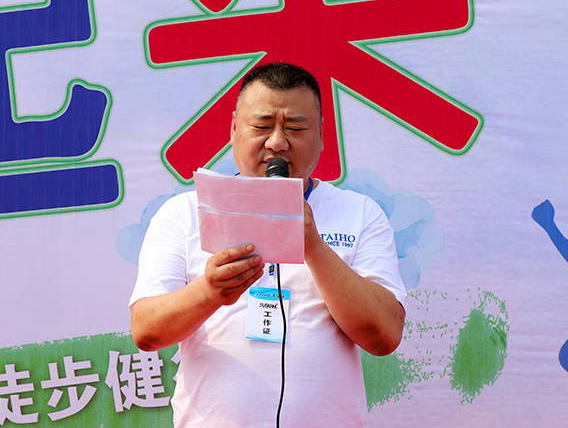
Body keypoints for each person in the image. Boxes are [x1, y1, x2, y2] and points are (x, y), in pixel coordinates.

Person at [129, 62, 407, 427]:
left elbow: (384, 336)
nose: (277, 142)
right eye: (261, 126)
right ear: (234, 129)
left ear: (321, 134)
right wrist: (209, 291)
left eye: (295, 128)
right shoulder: (184, 213)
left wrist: (313, 246)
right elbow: (146, 331)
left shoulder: (360, 213)